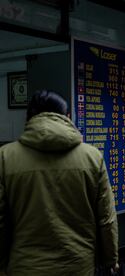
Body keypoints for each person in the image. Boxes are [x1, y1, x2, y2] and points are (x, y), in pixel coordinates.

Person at [0, 90, 118, 275]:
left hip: (25, 267)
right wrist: (110, 260)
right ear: (67, 117)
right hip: (79, 267)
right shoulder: (92, 157)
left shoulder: (5, 157)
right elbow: (106, 219)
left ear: (29, 118)